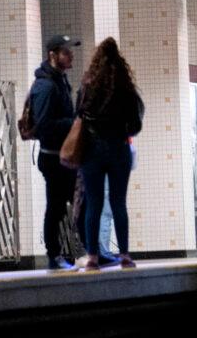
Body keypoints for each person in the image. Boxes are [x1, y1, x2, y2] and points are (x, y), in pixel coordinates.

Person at [76, 38, 144, 271]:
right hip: (118, 149)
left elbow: (78, 116)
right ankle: (124, 255)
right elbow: (135, 124)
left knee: (93, 204)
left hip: (92, 151)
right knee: (118, 203)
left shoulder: (87, 86)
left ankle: (93, 257)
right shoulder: (126, 88)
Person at [30, 34, 81, 271]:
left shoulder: (60, 80)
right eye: (66, 52)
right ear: (52, 55)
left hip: (63, 155)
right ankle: (54, 254)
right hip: (52, 156)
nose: (71, 56)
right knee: (57, 206)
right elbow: (43, 125)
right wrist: (73, 123)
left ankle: (80, 252)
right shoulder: (46, 86)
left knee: (69, 203)